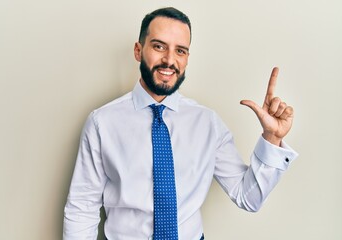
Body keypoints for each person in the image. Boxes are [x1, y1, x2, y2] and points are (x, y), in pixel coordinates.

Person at [63, 7, 298, 240]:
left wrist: (272, 138)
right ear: (138, 50)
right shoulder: (102, 122)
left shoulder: (208, 123)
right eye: (158, 46)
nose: (169, 60)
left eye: (181, 51)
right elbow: (82, 207)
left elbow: (248, 198)